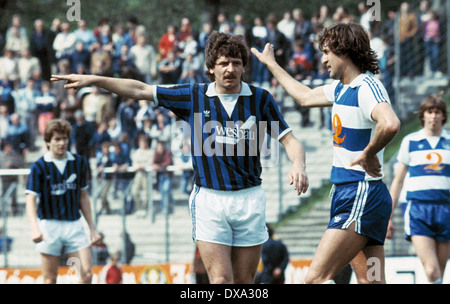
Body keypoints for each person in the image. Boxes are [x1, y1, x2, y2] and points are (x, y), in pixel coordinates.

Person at [51, 31, 309, 284]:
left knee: (244, 282)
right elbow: (140, 89)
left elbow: (290, 140)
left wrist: (298, 164)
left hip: (250, 198)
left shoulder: (260, 99)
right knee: (220, 280)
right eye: (223, 63)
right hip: (210, 199)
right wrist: (94, 79)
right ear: (211, 68)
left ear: (243, 67)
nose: (229, 69)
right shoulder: (193, 96)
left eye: (236, 63)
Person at [252, 22, 401, 284]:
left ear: (344, 52)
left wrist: (368, 153)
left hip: (360, 194)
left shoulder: (366, 87)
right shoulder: (341, 88)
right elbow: (305, 97)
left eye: (327, 52)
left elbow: (390, 123)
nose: (322, 60)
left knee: (315, 278)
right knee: (372, 282)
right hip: (354, 195)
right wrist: (272, 65)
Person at [25, 119, 101, 284]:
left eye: (64, 139)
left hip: (74, 227)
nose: (62, 143)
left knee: (86, 274)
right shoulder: (39, 166)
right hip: (49, 228)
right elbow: (30, 198)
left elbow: (83, 197)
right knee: (50, 279)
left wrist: (92, 229)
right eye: (57, 139)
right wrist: (34, 229)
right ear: (48, 142)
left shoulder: (79, 162)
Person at [387, 94, 449, 284]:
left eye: (437, 112)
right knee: (431, 271)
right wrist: (387, 215)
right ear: (423, 115)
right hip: (418, 209)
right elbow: (398, 181)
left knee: (439, 272)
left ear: (443, 116)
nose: (433, 116)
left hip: (446, 209)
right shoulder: (410, 142)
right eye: (429, 112)